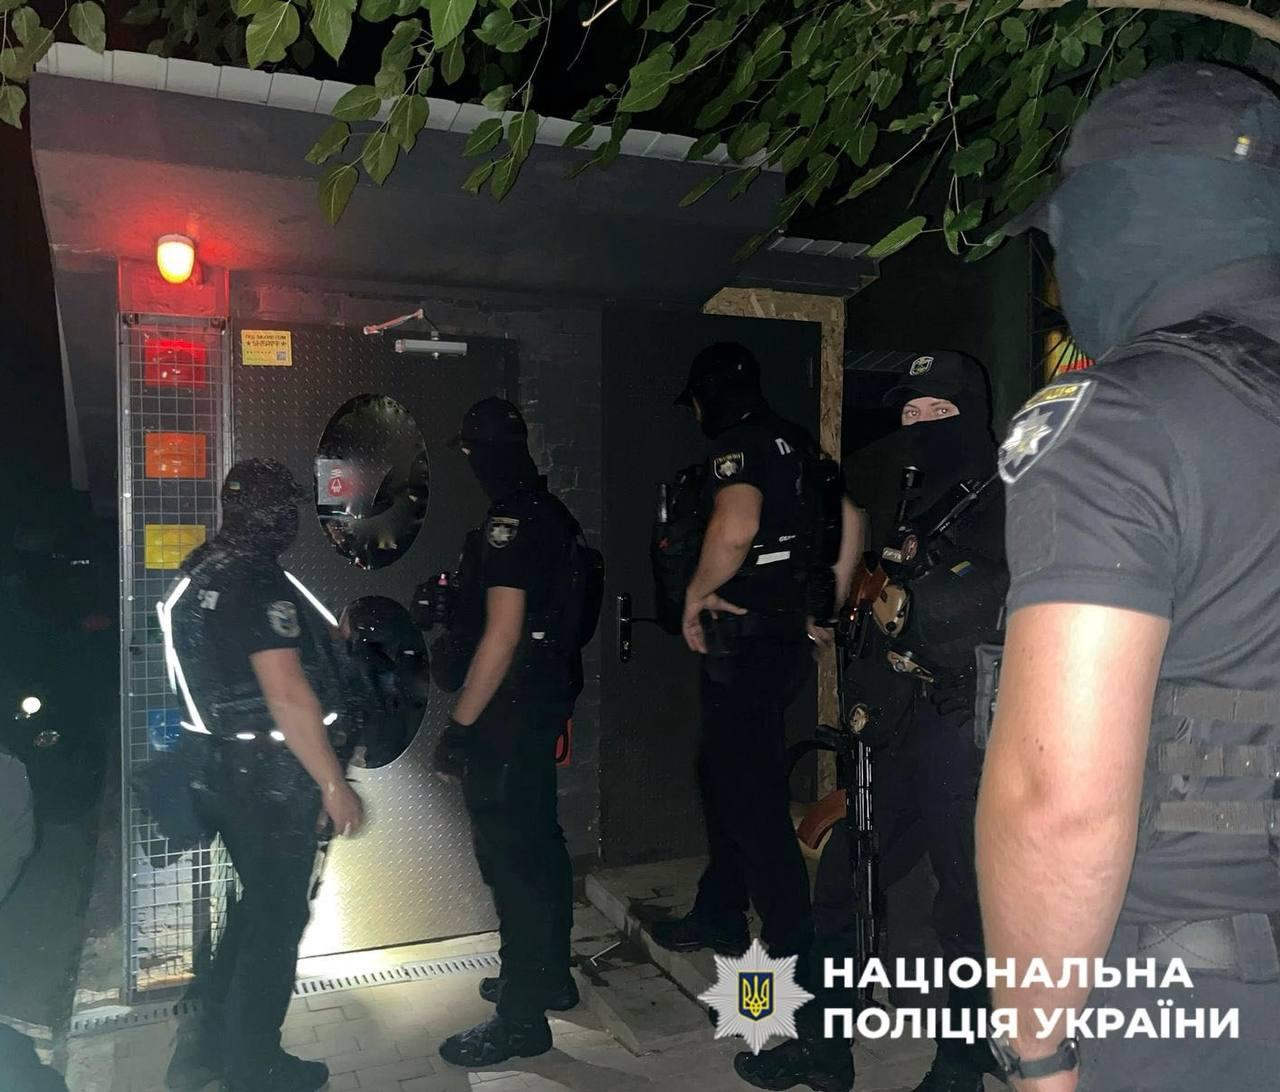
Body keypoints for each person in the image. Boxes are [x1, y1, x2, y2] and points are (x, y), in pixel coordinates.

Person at [977, 62, 1280, 1091]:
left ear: (1118, 217)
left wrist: (1036, 1051)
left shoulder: (1119, 421)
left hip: (1200, 1003)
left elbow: (1055, 801)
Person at [737, 353, 1006, 1092]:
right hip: (895, 725)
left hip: (965, 733)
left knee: (965, 905)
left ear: (973, 415)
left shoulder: (1012, 496)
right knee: (844, 885)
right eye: (910, 412)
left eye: (938, 412)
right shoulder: (911, 494)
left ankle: (962, 1062)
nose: (920, 425)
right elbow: (862, 549)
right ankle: (824, 1050)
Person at [650, 342, 862, 973]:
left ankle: (794, 949)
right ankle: (719, 907)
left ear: (708, 396)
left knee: (748, 796)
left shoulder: (737, 446)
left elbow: (736, 528)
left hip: (745, 646)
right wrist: (825, 607)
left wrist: (695, 595)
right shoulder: (797, 444)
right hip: (781, 641)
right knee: (725, 777)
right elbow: (852, 520)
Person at [161, 459, 364, 1092]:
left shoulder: (201, 569)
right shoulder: (256, 579)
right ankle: (255, 1065)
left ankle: (205, 1050)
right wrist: (332, 784)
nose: (291, 522)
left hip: (220, 770)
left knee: (254, 911)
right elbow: (287, 694)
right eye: (287, 509)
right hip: (269, 778)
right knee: (277, 921)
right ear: (273, 515)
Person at [432, 397, 588, 1067]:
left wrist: (459, 726)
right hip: (540, 703)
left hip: (507, 712)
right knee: (541, 844)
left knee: (512, 861)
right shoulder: (551, 513)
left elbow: (502, 633)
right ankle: (547, 975)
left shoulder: (510, 521)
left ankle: (521, 1020)